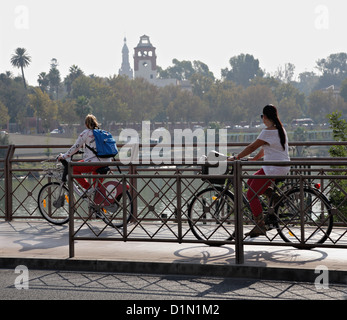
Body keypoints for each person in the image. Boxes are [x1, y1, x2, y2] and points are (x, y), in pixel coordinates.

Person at [229, 104, 290, 237]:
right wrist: (255, 158)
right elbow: (266, 148)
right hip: (281, 167)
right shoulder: (280, 129)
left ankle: (260, 225)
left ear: (266, 117)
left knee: (251, 194)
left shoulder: (267, 132)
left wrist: (236, 157)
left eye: (262, 116)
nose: (262, 119)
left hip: (273, 168)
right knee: (251, 180)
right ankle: (272, 197)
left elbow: (252, 147)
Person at [58, 114, 112, 195]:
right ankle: (97, 200)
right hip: (107, 162)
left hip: (94, 162)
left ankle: (88, 188)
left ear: (86, 124)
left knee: (73, 168)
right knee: (97, 190)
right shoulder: (102, 133)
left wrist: (64, 156)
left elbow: (75, 147)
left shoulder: (86, 133)